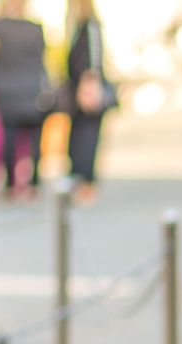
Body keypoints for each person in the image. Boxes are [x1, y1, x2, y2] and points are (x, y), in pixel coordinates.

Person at [0, 0, 48, 200]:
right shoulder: (35, 29)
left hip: (7, 89)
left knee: (9, 138)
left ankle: (10, 186)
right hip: (31, 89)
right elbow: (42, 60)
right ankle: (33, 185)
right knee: (33, 139)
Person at [64, 0, 110, 205]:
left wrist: (89, 85)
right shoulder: (77, 27)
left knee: (88, 140)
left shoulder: (90, 25)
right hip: (77, 93)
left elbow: (94, 58)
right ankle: (78, 180)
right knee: (76, 139)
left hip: (87, 92)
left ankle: (87, 184)